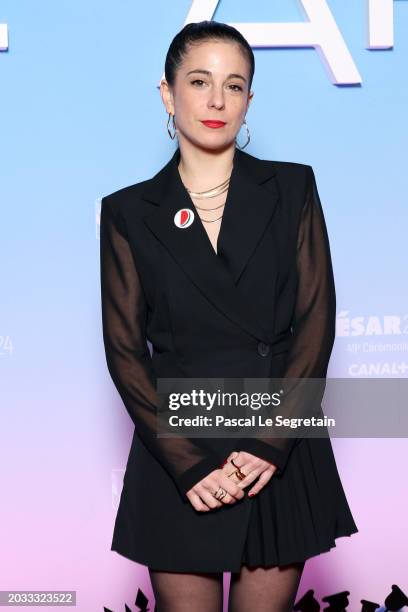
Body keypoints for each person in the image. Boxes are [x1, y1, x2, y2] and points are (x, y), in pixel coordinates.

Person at [99, 20, 359, 612]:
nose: (217, 101)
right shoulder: (129, 212)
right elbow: (123, 348)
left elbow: (316, 323)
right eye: (199, 81)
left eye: (235, 85)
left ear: (249, 99)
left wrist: (270, 443)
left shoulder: (292, 188)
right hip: (177, 447)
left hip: (276, 446)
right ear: (167, 93)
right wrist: (187, 464)